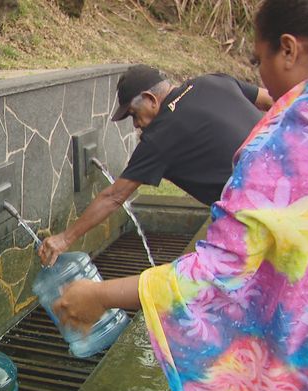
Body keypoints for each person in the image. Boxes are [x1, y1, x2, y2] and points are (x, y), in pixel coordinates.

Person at [52, 0, 308, 391]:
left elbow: (214, 272)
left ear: (289, 50)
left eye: (261, 58)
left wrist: (98, 294)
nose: (137, 127)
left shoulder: (273, 149)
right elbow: (267, 98)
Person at [39, 64, 272, 266]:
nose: (136, 125)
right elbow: (271, 99)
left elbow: (113, 197)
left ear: (150, 100)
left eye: (133, 114)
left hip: (262, 216)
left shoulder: (161, 135)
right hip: (292, 180)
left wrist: (64, 239)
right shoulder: (212, 81)